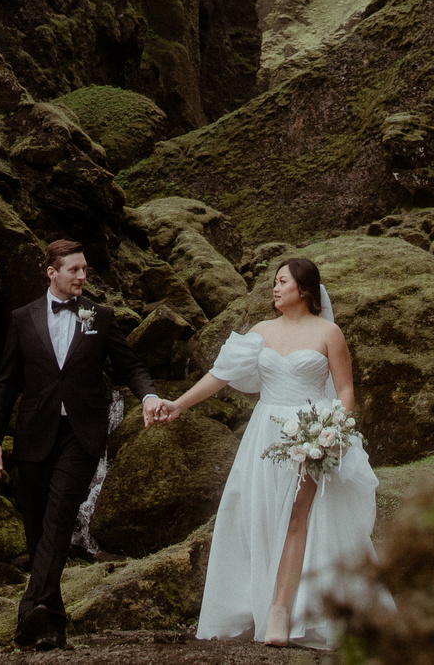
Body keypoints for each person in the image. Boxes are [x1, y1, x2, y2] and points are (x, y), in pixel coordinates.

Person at [147, 256, 380, 649]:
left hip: (309, 433)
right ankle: (254, 601)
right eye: (275, 281)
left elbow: (344, 391)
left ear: (304, 289)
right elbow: (220, 375)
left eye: (282, 281)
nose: (275, 287)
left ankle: (280, 610)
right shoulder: (260, 332)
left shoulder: (329, 333)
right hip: (264, 435)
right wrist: (179, 404)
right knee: (258, 514)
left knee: (297, 514)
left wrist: (331, 432)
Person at [0, 238, 168, 652]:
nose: (82, 276)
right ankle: (50, 627)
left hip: (82, 434)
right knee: (39, 532)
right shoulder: (22, 318)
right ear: (52, 272)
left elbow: (130, 364)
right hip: (34, 435)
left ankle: (28, 610)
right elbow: (6, 382)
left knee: (60, 517)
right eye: (74, 270)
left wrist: (149, 396)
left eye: (85, 269)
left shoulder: (100, 316)